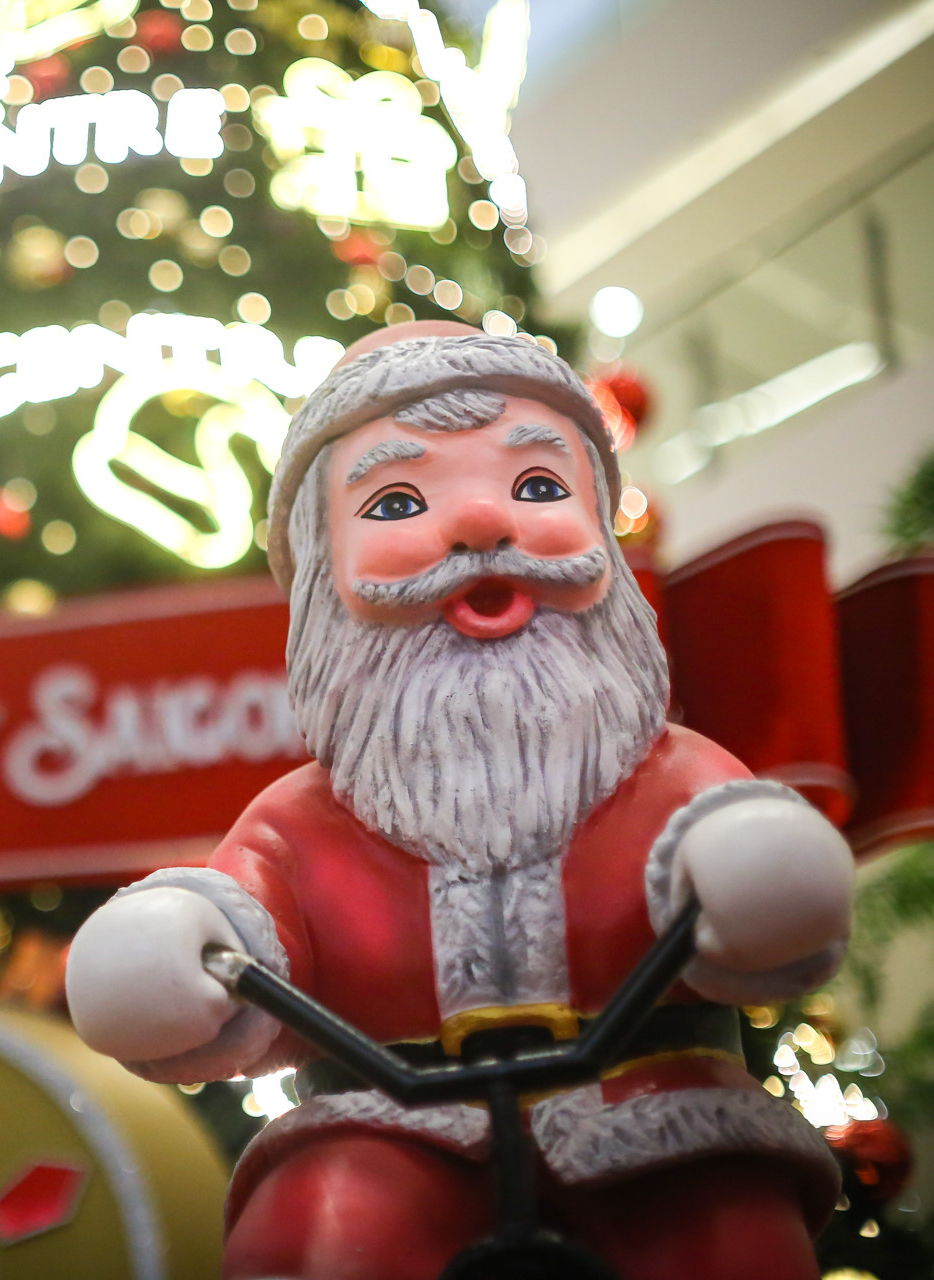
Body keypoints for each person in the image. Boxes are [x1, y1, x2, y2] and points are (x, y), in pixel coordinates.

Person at [64, 321, 854, 1280]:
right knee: (316, 1237)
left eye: (537, 487)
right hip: (389, 1129)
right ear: (324, 578)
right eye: (397, 500)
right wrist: (172, 947)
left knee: (727, 1239)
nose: (483, 526)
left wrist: (753, 870)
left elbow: (750, 873)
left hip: (659, 1107)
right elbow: (245, 917)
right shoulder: (304, 822)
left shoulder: (669, 775)